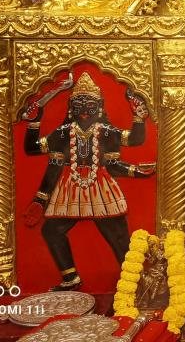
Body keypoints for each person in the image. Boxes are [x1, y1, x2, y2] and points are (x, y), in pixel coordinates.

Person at [22, 72, 155, 290]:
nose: (84, 111)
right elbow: (34, 150)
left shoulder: (106, 132)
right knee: (51, 231)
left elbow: (132, 143)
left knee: (119, 237)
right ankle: (71, 278)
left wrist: (138, 118)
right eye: (78, 105)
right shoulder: (63, 133)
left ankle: (137, 281)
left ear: (100, 107)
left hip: (101, 188)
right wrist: (35, 120)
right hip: (70, 189)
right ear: (70, 109)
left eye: (90, 106)